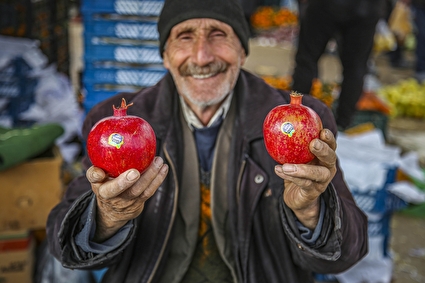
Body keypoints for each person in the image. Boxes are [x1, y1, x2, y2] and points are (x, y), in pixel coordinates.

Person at [46, 0, 368, 282]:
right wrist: (106, 217)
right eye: (184, 37)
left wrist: (311, 212)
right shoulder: (114, 127)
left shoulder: (303, 123)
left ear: (242, 50)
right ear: (166, 55)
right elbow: (65, 246)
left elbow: (349, 252)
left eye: (218, 34)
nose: (201, 56)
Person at [291, 0, 386, 130]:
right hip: (366, 8)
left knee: (307, 59)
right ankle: (343, 122)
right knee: (355, 68)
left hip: (327, 6)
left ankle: (296, 115)